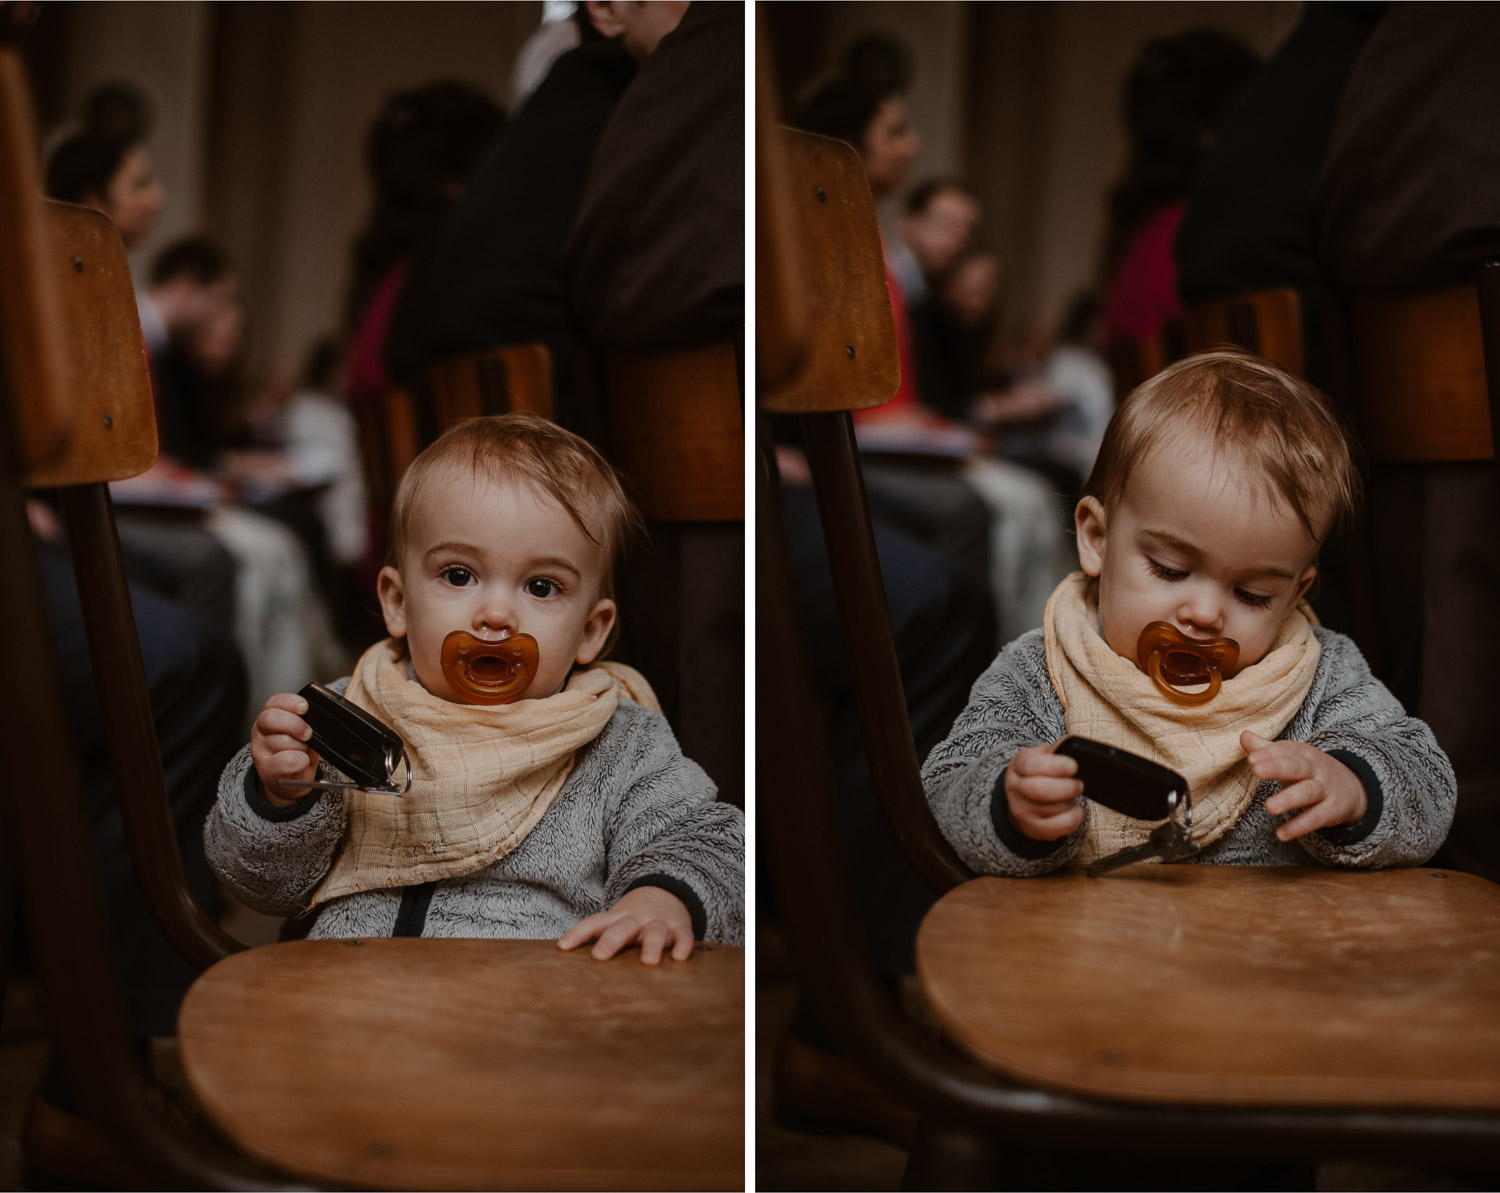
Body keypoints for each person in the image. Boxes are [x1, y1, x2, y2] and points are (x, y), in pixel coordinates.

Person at [205, 414, 744, 958]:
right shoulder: (348, 722)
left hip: (529, 1006)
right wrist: (280, 797)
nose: (496, 614)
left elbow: (707, 840)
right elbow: (260, 887)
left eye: (541, 586)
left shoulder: (619, 741)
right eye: (459, 575)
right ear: (397, 602)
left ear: (590, 631)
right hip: (353, 998)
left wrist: (660, 899)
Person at [923, 351, 1455, 876]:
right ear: (1097, 539)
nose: (1204, 615)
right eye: (1170, 570)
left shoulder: (1322, 678)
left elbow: (1430, 784)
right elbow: (946, 783)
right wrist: (1011, 804)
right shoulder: (1043, 670)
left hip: (1272, 944)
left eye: (1251, 595)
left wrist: (1355, 788)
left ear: (1297, 594)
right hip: (1090, 945)